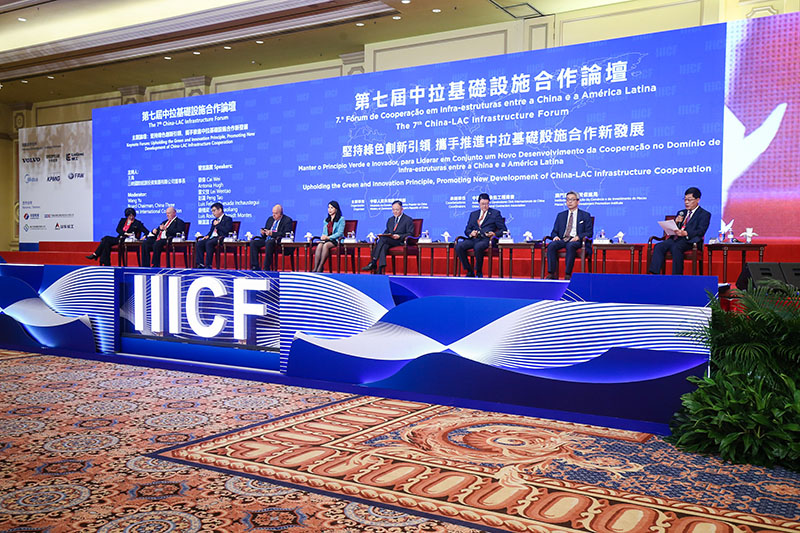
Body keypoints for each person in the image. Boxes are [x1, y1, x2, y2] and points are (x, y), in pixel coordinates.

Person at [648, 187, 711, 275]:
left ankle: (677, 276)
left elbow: (701, 231)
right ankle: (654, 274)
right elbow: (673, 228)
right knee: (659, 246)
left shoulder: (704, 214)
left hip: (690, 241)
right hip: (675, 239)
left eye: (689, 200)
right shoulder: (681, 213)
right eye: (685, 200)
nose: (686, 202)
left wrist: (686, 233)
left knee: (676, 247)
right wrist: (676, 221)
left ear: (697, 200)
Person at [455, 193, 506, 278]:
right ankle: (469, 270)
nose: (485, 206)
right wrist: (471, 233)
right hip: (474, 239)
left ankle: (478, 272)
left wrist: (494, 234)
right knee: (459, 246)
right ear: (479, 203)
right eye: (483, 204)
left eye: (486, 204)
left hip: (487, 240)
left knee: (478, 246)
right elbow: (467, 229)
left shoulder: (495, 213)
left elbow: (503, 229)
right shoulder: (473, 214)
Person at [546, 191, 593, 280]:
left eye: (572, 199)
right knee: (551, 245)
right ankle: (551, 273)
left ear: (578, 201)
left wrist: (578, 237)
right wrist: (555, 236)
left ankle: (568, 274)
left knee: (570, 245)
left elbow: (589, 232)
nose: (569, 202)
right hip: (563, 239)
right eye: (567, 200)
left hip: (577, 241)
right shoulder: (561, 215)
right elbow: (554, 231)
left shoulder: (585, 215)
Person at [362, 200, 414, 274]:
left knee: (383, 240)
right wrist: (382, 235)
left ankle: (373, 261)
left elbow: (410, 233)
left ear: (402, 209)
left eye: (397, 210)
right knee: (384, 245)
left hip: (400, 241)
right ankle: (380, 269)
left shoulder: (408, 219)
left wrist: (399, 236)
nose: (395, 212)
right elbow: (387, 231)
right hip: (390, 240)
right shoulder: (390, 220)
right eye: (393, 210)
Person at [250, 204, 293, 271]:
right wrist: (263, 232)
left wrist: (272, 234)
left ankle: (266, 267)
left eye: (275, 213)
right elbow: (266, 231)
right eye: (273, 213)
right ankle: (255, 266)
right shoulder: (270, 219)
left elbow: (285, 234)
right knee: (253, 242)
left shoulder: (287, 220)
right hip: (267, 239)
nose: (273, 215)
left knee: (269, 242)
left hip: (277, 241)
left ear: (280, 213)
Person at [195, 202, 233, 268]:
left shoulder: (228, 219)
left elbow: (227, 230)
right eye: (212, 211)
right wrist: (207, 235)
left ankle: (208, 265)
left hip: (221, 238)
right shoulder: (214, 220)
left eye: (214, 211)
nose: (213, 213)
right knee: (199, 243)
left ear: (220, 210)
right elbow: (211, 231)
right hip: (212, 238)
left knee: (209, 243)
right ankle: (200, 264)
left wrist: (218, 224)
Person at [312, 201, 345, 272]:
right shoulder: (326, 220)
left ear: (336, 209)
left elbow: (340, 233)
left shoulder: (341, 219)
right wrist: (322, 238)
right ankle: (315, 267)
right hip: (327, 240)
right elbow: (324, 232)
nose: (329, 209)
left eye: (332, 208)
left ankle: (320, 267)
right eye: (328, 208)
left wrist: (328, 237)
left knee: (326, 245)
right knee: (320, 245)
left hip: (336, 240)